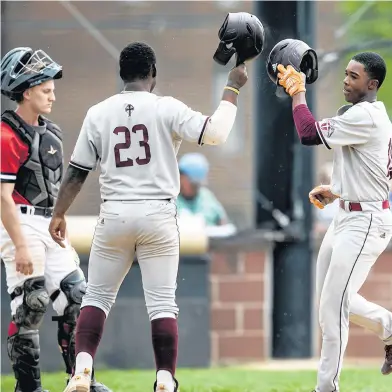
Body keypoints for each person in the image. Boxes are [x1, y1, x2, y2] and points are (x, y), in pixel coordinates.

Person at [47, 41, 247, 392]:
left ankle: (81, 369)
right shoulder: (165, 107)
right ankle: (165, 378)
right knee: (162, 303)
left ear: (121, 74)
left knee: (96, 297)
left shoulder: (98, 112)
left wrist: (60, 213)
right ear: (152, 73)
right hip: (157, 212)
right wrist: (231, 87)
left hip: (115, 211)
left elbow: (77, 172)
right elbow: (215, 133)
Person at [276, 52, 392, 392]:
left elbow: (309, 133)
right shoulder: (366, 115)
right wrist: (338, 190)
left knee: (333, 306)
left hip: (366, 221)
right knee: (330, 301)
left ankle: (326, 387)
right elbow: (374, 170)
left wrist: (298, 94)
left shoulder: (367, 116)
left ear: (372, 85)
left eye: (354, 76)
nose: (346, 80)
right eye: (346, 73)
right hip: (348, 215)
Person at [0, 47, 110, 392]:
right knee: (30, 304)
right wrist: (19, 245)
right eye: (46, 90)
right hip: (18, 223)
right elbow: (2, 197)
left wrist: (59, 218)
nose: (53, 95)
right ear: (26, 90)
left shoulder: (52, 134)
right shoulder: (6, 134)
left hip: (48, 223)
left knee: (77, 296)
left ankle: (79, 381)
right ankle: (28, 388)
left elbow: (50, 189)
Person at [177, 152, 236, 237]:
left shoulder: (207, 198)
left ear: (193, 181)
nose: (179, 178)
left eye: (182, 175)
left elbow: (224, 225)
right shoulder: (171, 199)